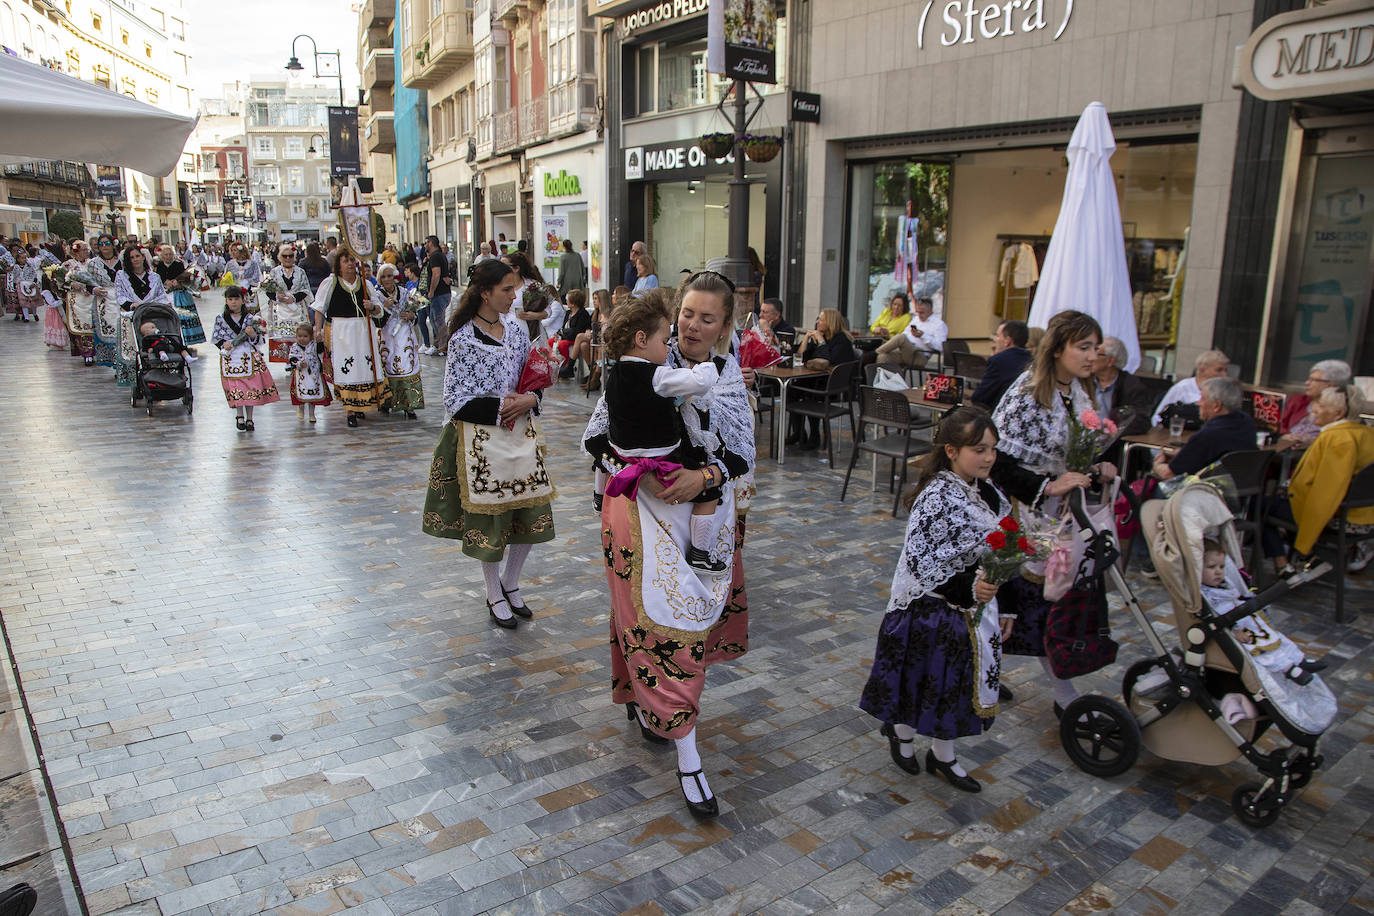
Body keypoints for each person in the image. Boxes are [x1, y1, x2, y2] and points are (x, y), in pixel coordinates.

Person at [582, 269, 755, 819]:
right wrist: (643, 473)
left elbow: (742, 453)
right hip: (639, 513)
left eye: (707, 318)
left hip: (699, 518)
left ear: (725, 324)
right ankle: (688, 755)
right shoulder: (646, 361)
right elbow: (594, 436)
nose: (693, 326)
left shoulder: (726, 375)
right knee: (646, 621)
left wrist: (699, 481)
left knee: (683, 627)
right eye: (686, 314)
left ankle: (664, 714)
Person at [860, 407, 1014, 793]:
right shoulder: (938, 496)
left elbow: (1003, 546)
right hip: (930, 611)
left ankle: (944, 756)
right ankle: (902, 734)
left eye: (993, 449)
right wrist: (967, 588)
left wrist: (999, 593)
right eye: (979, 449)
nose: (989, 457)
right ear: (951, 450)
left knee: (954, 688)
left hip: (972, 611)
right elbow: (922, 562)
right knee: (923, 682)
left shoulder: (987, 491)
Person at [991, 310, 1116, 718]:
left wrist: (1095, 470)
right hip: (1019, 515)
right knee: (1014, 603)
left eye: (1095, 348)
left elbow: (1072, 456)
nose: (1092, 356)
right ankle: (1060, 694)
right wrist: (1047, 486)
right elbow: (997, 462)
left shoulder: (1081, 393)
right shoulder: (1027, 394)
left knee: (1043, 603)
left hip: (1056, 519)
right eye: (1084, 347)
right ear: (1059, 348)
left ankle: (990, 670)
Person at [422, 258, 556, 628]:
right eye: (507, 290)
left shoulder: (516, 331)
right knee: (493, 517)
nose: (515, 297)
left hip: (520, 433)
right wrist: (504, 406)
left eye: (514, 288)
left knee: (528, 511)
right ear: (485, 293)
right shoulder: (463, 338)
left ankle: (511, 582)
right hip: (481, 437)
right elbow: (455, 398)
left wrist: (533, 399)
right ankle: (492, 590)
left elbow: (531, 377)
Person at [598, 292, 726, 571]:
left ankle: (599, 494)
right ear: (642, 340)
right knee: (710, 493)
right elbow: (698, 382)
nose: (668, 350)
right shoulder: (658, 374)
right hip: (661, 460)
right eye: (664, 342)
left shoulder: (615, 373)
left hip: (625, 456)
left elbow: (601, 433)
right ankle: (701, 554)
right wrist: (712, 366)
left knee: (605, 442)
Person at [1263, 384, 1374, 575]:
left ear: (1338, 413)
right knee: (1276, 502)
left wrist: (1305, 543)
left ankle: (1290, 565)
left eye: (1321, 405)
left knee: (1261, 506)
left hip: (1341, 517)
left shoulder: (1338, 438)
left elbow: (1327, 493)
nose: (1314, 409)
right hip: (1362, 515)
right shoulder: (1365, 433)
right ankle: (1303, 560)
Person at [1199, 541, 1326, 685]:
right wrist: (1233, 630)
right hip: (1233, 626)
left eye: (1221, 567)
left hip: (1246, 618)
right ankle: (1290, 670)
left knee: (1278, 637)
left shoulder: (1224, 584)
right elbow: (1215, 614)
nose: (1218, 571)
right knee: (1262, 649)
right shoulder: (1206, 594)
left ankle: (1300, 660)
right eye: (1211, 567)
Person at [311, 250, 391, 428]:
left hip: (362, 330)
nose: (349, 264)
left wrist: (372, 306)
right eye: (345, 261)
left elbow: (379, 309)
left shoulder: (365, 283)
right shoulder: (330, 283)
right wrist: (318, 328)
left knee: (363, 366)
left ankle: (361, 404)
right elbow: (319, 307)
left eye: (352, 261)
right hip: (341, 332)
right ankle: (350, 409)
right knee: (347, 368)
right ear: (338, 264)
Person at [1151, 376, 1256, 481]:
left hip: (1203, 491)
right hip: (1240, 489)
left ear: (1216, 406)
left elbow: (1168, 474)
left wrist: (1157, 465)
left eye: (1202, 398)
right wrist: (1183, 453)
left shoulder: (1208, 435)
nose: (1198, 403)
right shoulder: (1246, 423)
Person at [786, 308, 858, 450]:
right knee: (791, 390)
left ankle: (814, 436)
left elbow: (828, 361)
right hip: (816, 379)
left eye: (821, 319)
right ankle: (799, 433)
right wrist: (806, 339)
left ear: (830, 322)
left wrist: (821, 342)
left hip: (834, 385)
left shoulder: (841, 340)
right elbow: (801, 358)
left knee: (811, 395)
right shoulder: (821, 336)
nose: (817, 322)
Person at [212, 286, 279, 431]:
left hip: (248, 356)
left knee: (250, 387)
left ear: (243, 301)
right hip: (231, 357)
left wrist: (253, 335)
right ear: (226, 301)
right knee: (236, 387)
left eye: (236, 299)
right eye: (230, 299)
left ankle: (249, 418)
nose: (234, 302)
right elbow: (216, 337)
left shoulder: (251, 319)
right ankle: (239, 415)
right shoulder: (220, 318)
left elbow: (259, 340)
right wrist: (224, 345)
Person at [112, 247, 168, 387]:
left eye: (137, 256)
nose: (135, 259)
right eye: (132, 257)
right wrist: (132, 305)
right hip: (132, 315)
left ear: (143, 257)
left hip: (152, 315)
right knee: (134, 349)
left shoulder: (155, 277)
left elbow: (161, 295)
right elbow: (120, 295)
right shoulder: (121, 276)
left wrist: (156, 306)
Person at [375, 264, 424, 418]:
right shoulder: (377, 295)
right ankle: (386, 402)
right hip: (386, 336)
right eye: (384, 276)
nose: (387, 279)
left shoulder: (404, 293)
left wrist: (411, 316)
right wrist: (383, 307)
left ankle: (409, 405)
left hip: (404, 335)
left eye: (390, 276)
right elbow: (375, 320)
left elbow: (414, 313)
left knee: (406, 365)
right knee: (387, 366)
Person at [1278, 359, 1352, 451]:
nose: (1307, 383)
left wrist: (1313, 442)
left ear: (1330, 385)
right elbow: (1280, 425)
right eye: (1309, 379)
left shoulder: (1338, 411)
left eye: (1314, 380)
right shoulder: (1298, 401)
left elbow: (1336, 441)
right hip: (1284, 451)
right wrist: (1285, 436)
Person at [1091, 336, 1153, 437]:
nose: (1090, 357)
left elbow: (1141, 421)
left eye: (1096, 354)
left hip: (1113, 444)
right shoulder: (1084, 381)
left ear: (1110, 360)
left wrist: (1113, 430)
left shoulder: (1132, 386)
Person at [1152, 349, 1230, 426]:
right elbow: (1157, 417)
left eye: (1226, 370)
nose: (1224, 375)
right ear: (1202, 370)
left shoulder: (1225, 391)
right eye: (1219, 370)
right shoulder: (1182, 388)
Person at [263, 244, 312, 363]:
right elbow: (267, 289)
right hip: (280, 308)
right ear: (280, 257)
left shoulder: (300, 271)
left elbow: (306, 289)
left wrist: (294, 297)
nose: (288, 258)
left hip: (297, 307)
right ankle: (285, 358)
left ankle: (298, 356)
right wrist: (276, 296)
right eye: (285, 256)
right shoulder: (274, 272)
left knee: (298, 332)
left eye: (290, 256)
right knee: (282, 333)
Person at [971, 319, 1032, 411]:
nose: (995, 339)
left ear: (1007, 341)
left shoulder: (998, 361)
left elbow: (980, 397)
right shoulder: (1033, 360)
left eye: (998, 336)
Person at [153, 244, 206, 346]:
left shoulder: (178, 264)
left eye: (170, 254)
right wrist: (165, 281)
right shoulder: (159, 265)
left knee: (182, 316)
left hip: (179, 293)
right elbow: (158, 278)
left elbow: (185, 277)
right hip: (165, 293)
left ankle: (184, 339)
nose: (168, 257)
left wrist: (177, 281)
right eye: (166, 254)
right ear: (162, 256)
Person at [875, 297, 946, 369]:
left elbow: (941, 347)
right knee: (883, 357)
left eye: (922, 312)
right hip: (906, 351)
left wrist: (923, 336)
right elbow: (905, 334)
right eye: (917, 312)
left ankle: (875, 353)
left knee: (901, 337)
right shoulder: (916, 319)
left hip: (920, 356)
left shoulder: (939, 325)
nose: (919, 315)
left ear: (930, 310)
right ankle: (881, 379)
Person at [505, 251, 561, 340]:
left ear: (516, 268)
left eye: (505, 266)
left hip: (530, 332)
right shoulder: (498, 285)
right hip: (506, 332)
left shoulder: (532, 285)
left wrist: (535, 315)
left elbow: (549, 309)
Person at [61, 241, 98, 365]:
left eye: (87, 250)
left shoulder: (94, 263)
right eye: (84, 250)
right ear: (76, 252)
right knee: (82, 326)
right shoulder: (69, 265)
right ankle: (86, 353)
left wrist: (91, 287)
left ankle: (97, 352)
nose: (87, 252)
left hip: (92, 297)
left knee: (94, 324)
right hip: (78, 300)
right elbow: (62, 281)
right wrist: (72, 284)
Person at [287, 321, 331, 423]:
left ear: (311, 337)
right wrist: (298, 364)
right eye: (300, 336)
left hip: (313, 375)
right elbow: (292, 358)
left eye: (305, 336)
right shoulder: (294, 347)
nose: (302, 338)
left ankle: (312, 414)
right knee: (300, 393)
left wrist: (319, 341)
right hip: (301, 375)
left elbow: (321, 351)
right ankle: (301, 408)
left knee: (313, 396)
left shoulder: (314, 346)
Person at [554, 288, 593, 378]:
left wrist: (563, 332)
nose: (566, 300)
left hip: (574, 338)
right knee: (550, 341)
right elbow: (564, 327)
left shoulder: (583, 313)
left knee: (563, 344)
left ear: (573, 302)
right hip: (567, 336)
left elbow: (577, 331)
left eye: (568, 299)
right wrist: (558, 334)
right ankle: (554, 368)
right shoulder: (568, 313)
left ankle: (568, 366)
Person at [422, 235, 452, 352]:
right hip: (441, 293)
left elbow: (436, 274)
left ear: (430, 243)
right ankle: (440, 344)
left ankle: (444, 345)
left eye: (426, 243)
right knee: (435, 319)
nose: (425, 246)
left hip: (439, 293)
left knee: (437, 319)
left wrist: (431, 291)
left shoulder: (435, 256)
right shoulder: (439, 255)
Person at [5, 243, 41, 322]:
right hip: (21, 285)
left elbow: (34, 274)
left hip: (30, 284)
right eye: (22, 258)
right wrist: (14, 285)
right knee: (23, 302)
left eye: (25, 258)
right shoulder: (16, 267)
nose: (24, 259)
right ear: (18, 259)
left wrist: (34, 283)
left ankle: (35, 314)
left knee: (32, 301)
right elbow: (15, 276)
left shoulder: (29, 266)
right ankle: (26, 317)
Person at [556, 238, 585, 303]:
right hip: (578, 283)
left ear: (564, 247)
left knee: (565, 301)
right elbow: (583, 270)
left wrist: (558, 282)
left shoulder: (563, 257)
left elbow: (562, 273)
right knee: (577, 301)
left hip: (567, 285)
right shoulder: (577, 255)